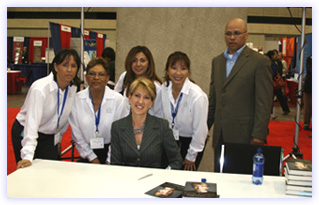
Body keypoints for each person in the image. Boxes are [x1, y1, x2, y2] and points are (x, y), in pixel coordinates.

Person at [207, 18, 273, 172]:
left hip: (245, 135)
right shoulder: (217, 62)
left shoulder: (259, 62)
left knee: (239, 177)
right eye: (228, 34)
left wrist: (259, 134)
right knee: (220, 176)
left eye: (237, 33)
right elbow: (213, 99)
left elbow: (264, 102)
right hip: (220, 134)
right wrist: (205, 128)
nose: (232, 37)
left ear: (246, 35)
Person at [11, 48, 81, 169]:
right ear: (55, 66)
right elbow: (32, 122)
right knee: (30, 171)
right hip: (26, 131)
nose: (69, 70)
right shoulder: (40, 89)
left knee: (50, 169)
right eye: (65, 65)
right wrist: (27, 155)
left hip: (49, 134)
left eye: (73, 66)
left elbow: (64, 117)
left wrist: (58, 140)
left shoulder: (73, 88)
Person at [111, 77, 183, 169]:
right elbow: (115, 165)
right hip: (128, 181)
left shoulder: (162, 126)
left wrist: (164, 176)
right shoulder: (117, 127)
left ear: (151, 103)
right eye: (137, 95)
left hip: (155, 181)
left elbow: (176, 160)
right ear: (129, 98)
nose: (140, 101)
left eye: (146, 97)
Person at [69, 58, 129, 164]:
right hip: (86, 153)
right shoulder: (76, 99)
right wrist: (92, 158)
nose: (96, 78)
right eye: (92, 74)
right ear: (86, 77)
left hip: (114, 153)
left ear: (107, 78)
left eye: (101, 74)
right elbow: (76, 135)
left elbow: (121, 134)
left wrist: (109, 161)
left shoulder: (118, 100)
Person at [159, 51, 208, 171]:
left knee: (183, 181)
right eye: (174, 68)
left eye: (183, 68)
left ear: (188, 71)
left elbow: (200, 130)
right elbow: (158, 115)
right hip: (170, 141)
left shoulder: (197, 95)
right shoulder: (163, 89)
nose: (178, 73)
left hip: (190, 143)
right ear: (167, 70)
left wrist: (191, 155)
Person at [114, 45, 162, 117]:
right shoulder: (125, 76)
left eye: (142, 60)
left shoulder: (156, 86)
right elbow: (115, 99)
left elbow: (158, 113)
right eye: (134, 60)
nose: (138, 64)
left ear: (149, 63)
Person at [266, 50, 290, 116]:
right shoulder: (272, 62)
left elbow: (276, 71)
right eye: (275, 54)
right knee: (277, 96)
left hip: (274, 82)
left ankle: (272, 112)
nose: (276, 56)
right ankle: (283, 110)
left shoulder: (275, 62)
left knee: (275, 97)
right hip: (274, 82)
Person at [303, 55, 312, 132]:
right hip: (309, 86)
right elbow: (310, 70)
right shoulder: (310, 58)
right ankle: (306, 122)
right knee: (308, 106)